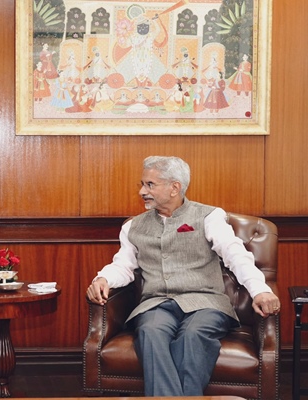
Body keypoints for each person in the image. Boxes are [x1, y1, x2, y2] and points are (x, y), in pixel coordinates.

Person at [86, 156, 280, 397]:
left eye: (149, 185)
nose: (142, 191)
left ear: (174, 187)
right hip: (156, 304)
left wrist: (260, 290)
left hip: (206, 303)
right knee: (151, 332)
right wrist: (103, 279)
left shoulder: (209, 216)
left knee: (193, 335)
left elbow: (235, 255)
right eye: (143, 184)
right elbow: (124, 266)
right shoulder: (133, 227)